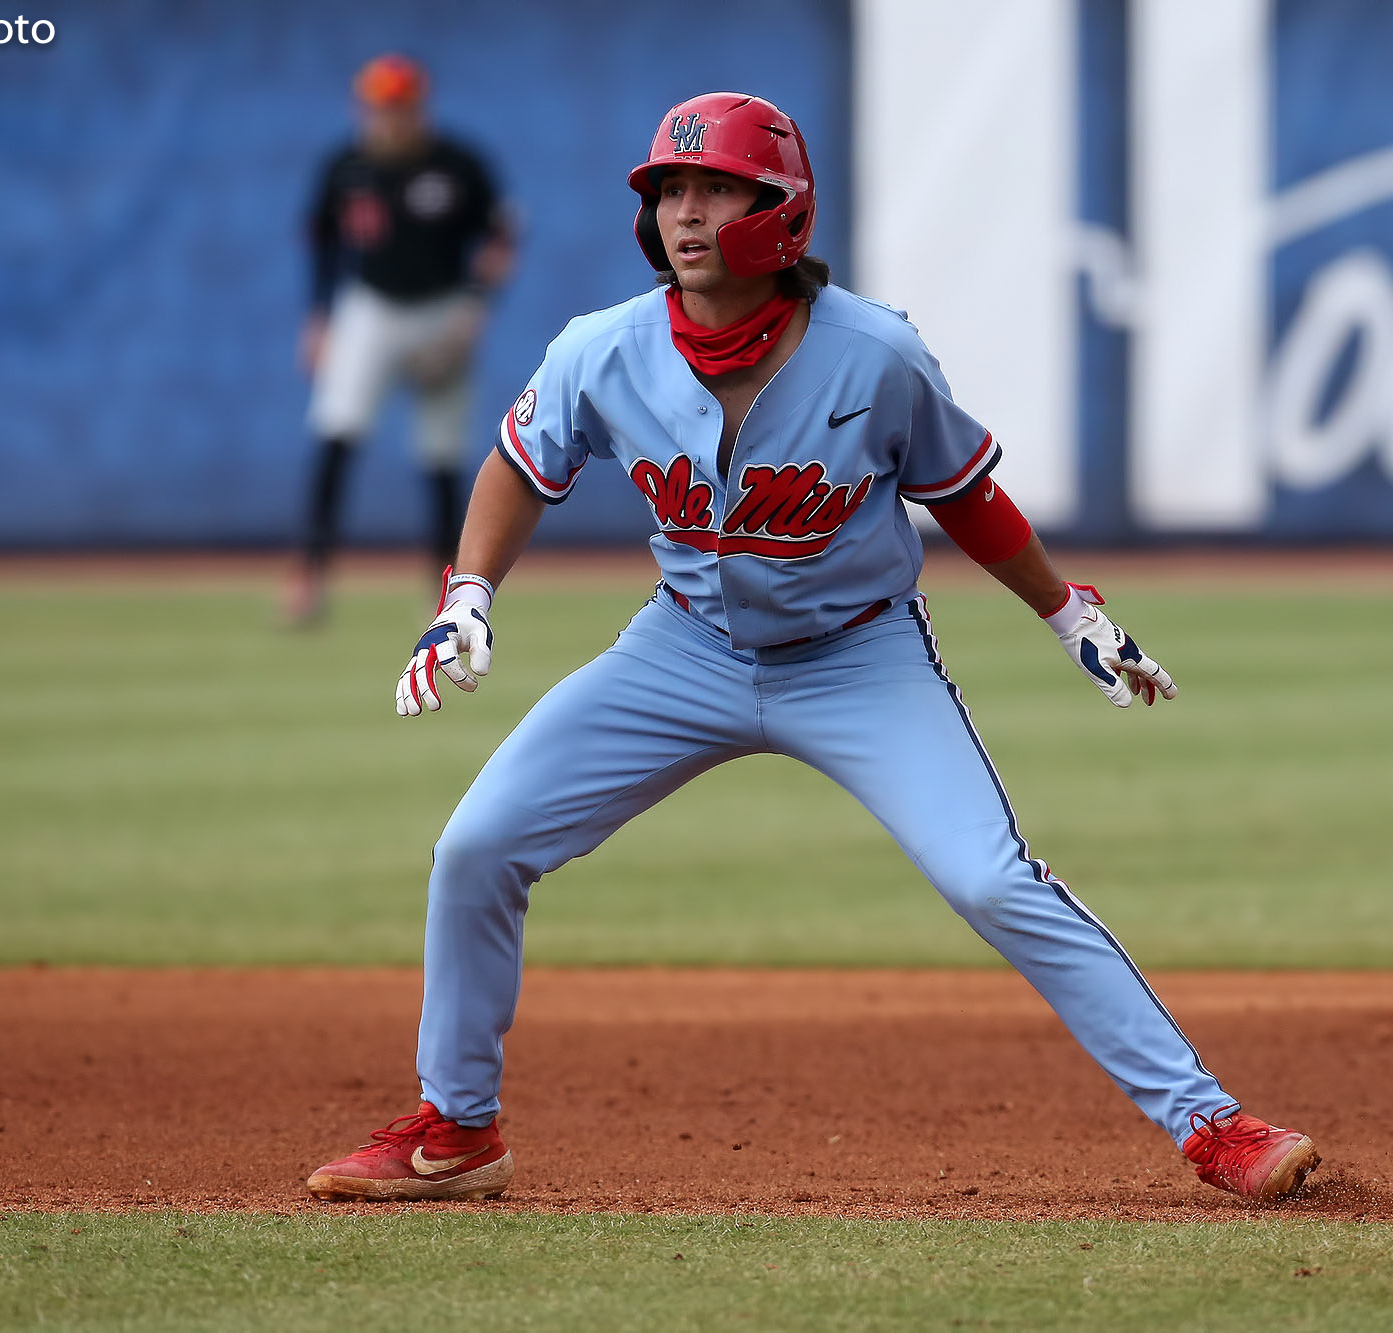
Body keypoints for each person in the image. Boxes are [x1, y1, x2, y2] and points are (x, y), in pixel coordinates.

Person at [306, 93, 1320, 1204]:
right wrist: (466, 593)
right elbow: (518, 460)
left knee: (990, 879)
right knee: (476, 846)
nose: (685, 214)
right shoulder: (603, 349)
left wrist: (1066, 610)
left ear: (779, 208)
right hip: (680, 652)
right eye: (669, 192)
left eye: (713, 189)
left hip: (859, 657)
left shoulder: (871, 352)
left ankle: (1208, 1121)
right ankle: (456, 1130)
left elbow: (963, 494)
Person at [285, 54, 516, 626]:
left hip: (442, 310)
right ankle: (308, 581)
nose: (386, 118)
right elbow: (324, 245)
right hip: (370, 308)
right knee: (336, 433)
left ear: (418, 106)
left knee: (440, 453)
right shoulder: (347, 166)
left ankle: (444, 588)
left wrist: (474, 311)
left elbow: (501, 238)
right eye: (376, 106)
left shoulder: (458, 164)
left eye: (397, 106)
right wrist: (318, 319)